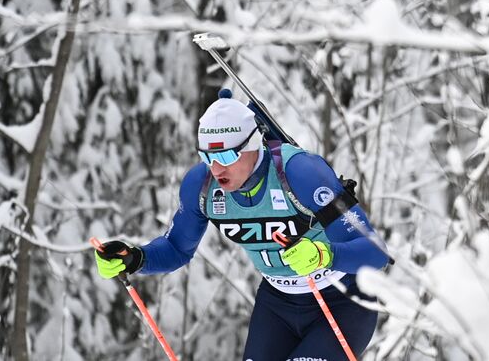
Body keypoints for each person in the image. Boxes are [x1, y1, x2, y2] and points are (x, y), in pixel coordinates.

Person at [94, 97, 387, 360]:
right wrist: (134, 258)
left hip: (340, 300)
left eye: (225, 157)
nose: (216, 168)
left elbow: (375, 252)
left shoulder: (300, 173)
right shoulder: (202, 186)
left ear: (252, 146)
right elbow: (176, 249)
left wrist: (324, 254)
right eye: (207, 157)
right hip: (278, 305)